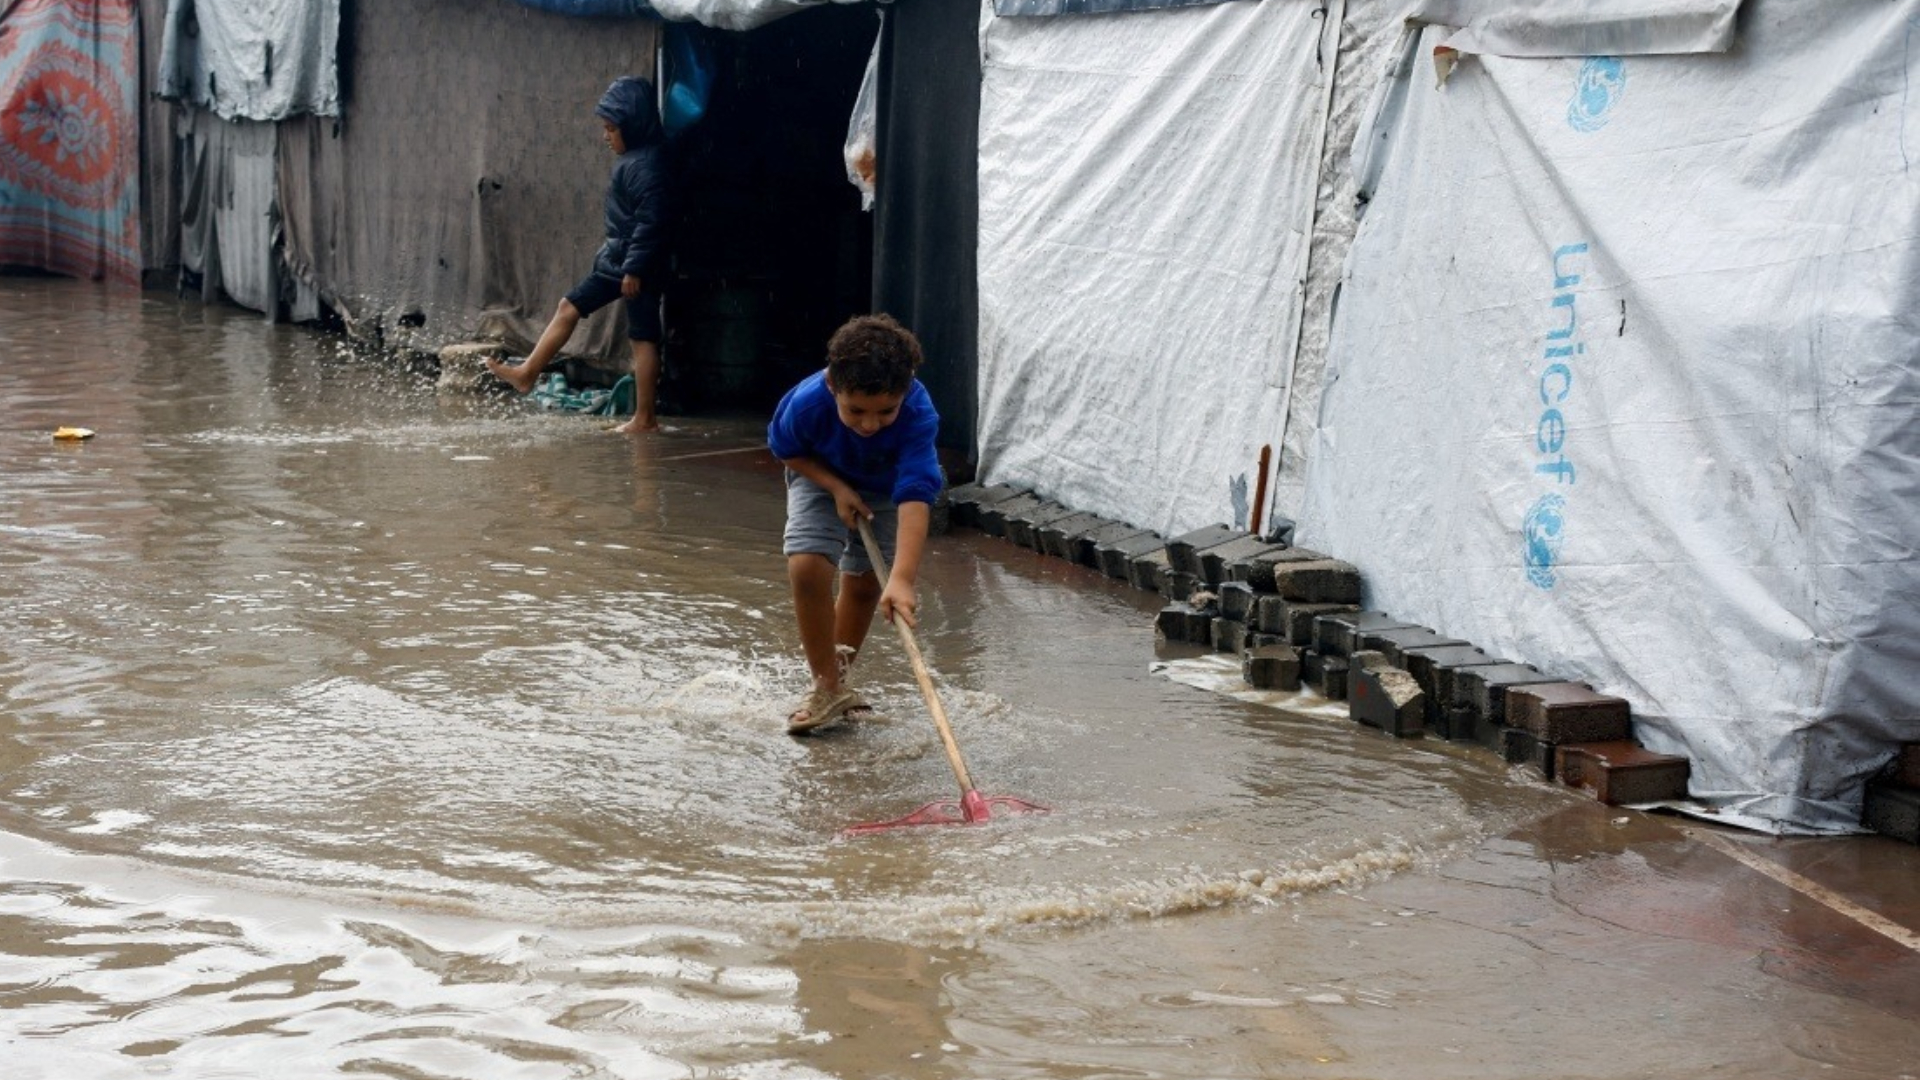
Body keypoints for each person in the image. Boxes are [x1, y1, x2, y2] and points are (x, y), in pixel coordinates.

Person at [768, 314, 942, 734]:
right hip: (819, 474)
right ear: (833, 386)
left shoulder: (919, 413)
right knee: (807, 563)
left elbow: (916, 496)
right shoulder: (808, 402)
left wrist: (901, 579)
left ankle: (838, 683)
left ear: (906, 391)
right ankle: (824, 685)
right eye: (856, 410)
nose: (869, 423)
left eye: (886, 411)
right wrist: (836, 488)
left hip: (886, 489)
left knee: (865, 583)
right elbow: (786, 449)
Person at [487, 75, 669, 434]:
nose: (605, 136)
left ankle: (645, 418)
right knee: (569, 307)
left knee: (643, 336)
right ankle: (527, 373)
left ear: (631, 127)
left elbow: (652, 223)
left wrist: (634, 268)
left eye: (611, 129)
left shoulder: (649, 166)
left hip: (635, 265)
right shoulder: (636, 159)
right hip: (619, 260)